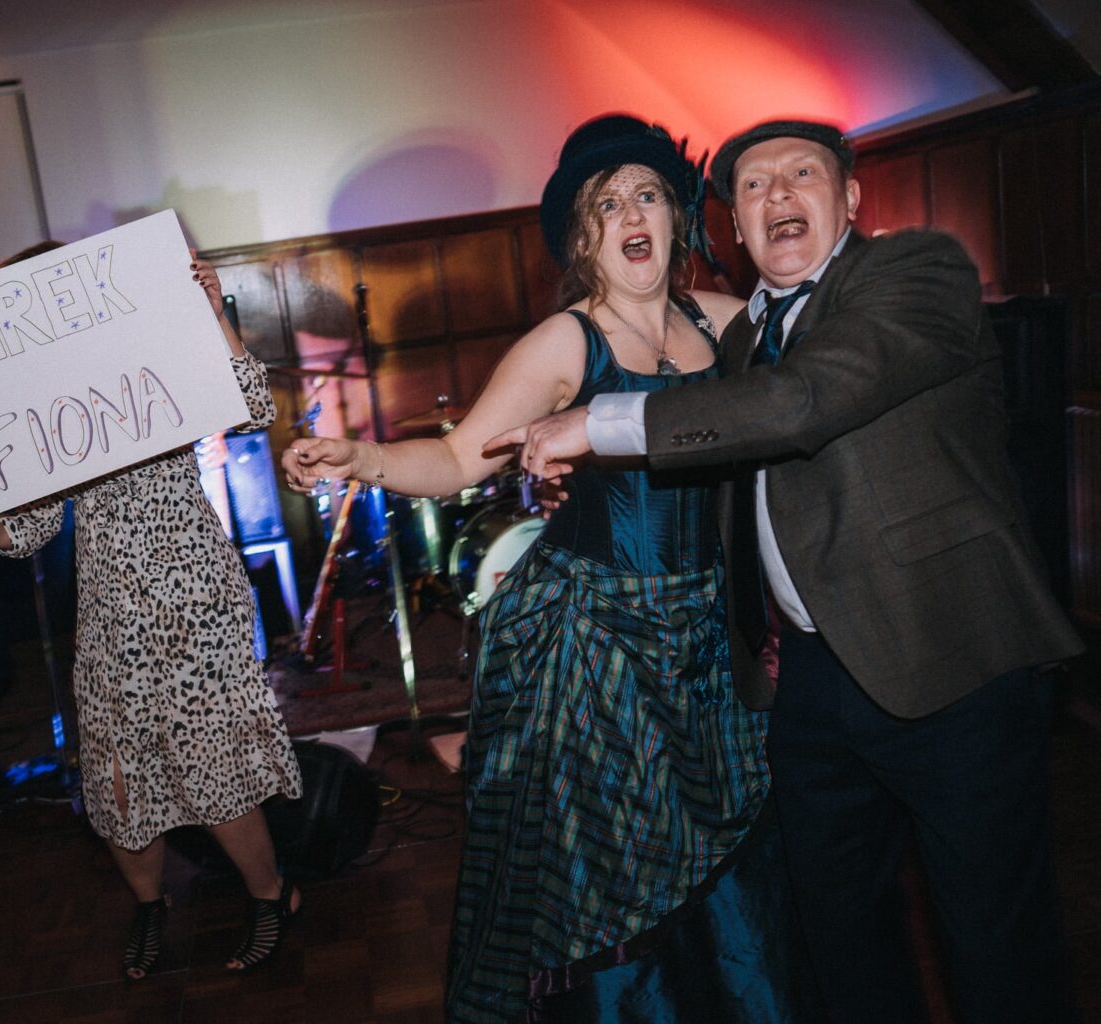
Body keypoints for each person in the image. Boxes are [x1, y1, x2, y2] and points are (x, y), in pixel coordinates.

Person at [494, 119, 1084, 1024]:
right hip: (806, 688)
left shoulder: (915, 275)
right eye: (754, 188)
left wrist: (596, 425)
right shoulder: (739, 341)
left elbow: (802, 404)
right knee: (842, 944)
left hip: (950, 663)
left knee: (994, 948)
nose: (775, 196)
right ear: (734, 228)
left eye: (799, 174)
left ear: (850, 198)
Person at [285, 114, 816, 1023]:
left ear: (678, 218)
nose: (631, 213)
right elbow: (457, 462)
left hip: (713, 646)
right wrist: (362, 460)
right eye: (608, 205)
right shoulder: (568, 343)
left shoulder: (732, 326)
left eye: (647, 193)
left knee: (731, 861)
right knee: (620, 869)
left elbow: (820, 391)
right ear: (584, 238)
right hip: (595, 650)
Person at [0, 250, 304, 978]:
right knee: (114, 771)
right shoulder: (40, 402)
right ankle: (149, 905)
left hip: (193, 593)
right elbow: (34, 525)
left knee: (208, 760)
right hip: (107, 608)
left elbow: (256, 408)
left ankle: (271, 894)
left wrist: (212, 311)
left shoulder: (154, 356)